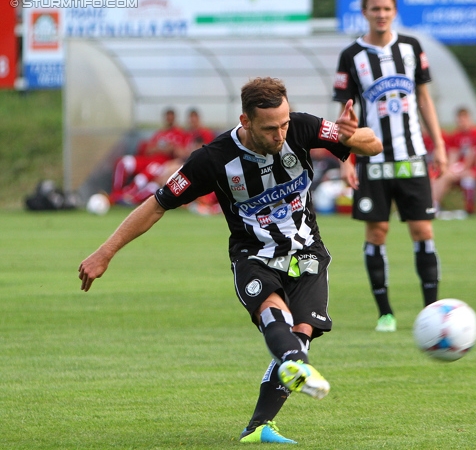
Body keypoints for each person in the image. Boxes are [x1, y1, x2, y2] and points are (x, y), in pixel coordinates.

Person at [78, 77, 382, 444]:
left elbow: (373, 145)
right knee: (276, 317)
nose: (280, 135)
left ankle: (258, 427)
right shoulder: (213, 159)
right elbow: (157, 204)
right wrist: (105, 252)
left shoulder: (302, 126)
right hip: (254, 256)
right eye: (270, 128)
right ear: (246, 120)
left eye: (284, 124)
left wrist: (350, 135)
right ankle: (293, 365)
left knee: (301, 335)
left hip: (306, 252)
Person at [333, 0, 447, 333]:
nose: (381, 14)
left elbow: (424, 98)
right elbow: (345, 112)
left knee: (422, 229)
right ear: (364, 12)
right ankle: (385, 312)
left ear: (394, 12)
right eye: (374, 9)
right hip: (373, 158)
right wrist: (345, 158)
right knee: (377, 231)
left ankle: (432, 310)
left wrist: (438, 145)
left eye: (386, 8)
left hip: (411, 156)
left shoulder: (411, 48)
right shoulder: (351, 55)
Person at [110, 108, 188, 205]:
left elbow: (183, 154)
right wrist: (161, 148)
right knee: (123, 161)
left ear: (175, 118)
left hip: (162, 163)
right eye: (167, 117)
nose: (169, 119)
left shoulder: (180, 134)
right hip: (148, 160)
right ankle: (116, 193)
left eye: (171, 117)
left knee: (144, 177)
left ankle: (127, 197)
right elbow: (148, 150)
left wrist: (172, 148)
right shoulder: (160, 133)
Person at [433, 107, 476, 214]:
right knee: (443, 175)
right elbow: (453, 153)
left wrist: (465, 168)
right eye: (459, 120)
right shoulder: (456, 135)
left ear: (469, 118)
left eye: (463, 120)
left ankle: (470, 208)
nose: (461, 123)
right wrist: (450, 168)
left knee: (468, 176)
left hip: (473, 168)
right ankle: (434, 205)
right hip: (460, 167)